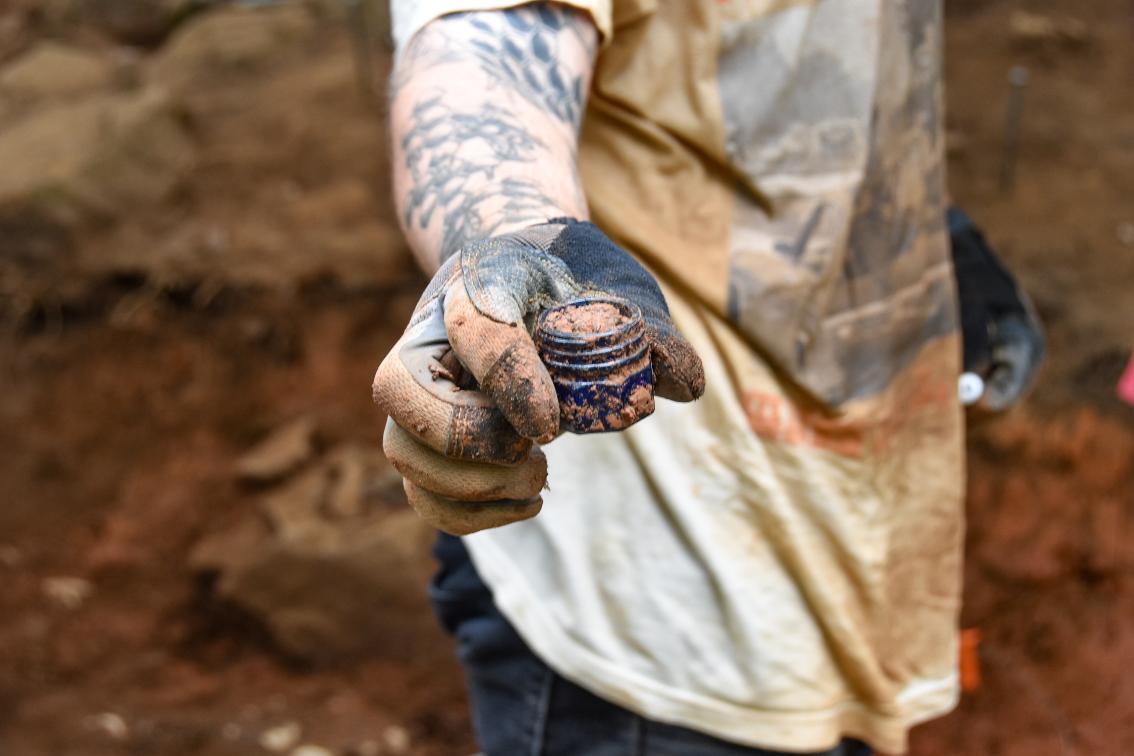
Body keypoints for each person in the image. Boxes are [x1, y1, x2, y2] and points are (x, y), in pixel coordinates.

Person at [372, 2, 1044, 754]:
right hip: (655, 616)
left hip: (850, 550)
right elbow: (482, 61)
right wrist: (518, 238)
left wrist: (908, 226)